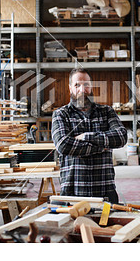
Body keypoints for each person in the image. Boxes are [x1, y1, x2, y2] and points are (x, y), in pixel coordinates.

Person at [51, 68, 128, 203]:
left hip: (105, 190)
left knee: (109, 224)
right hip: (73, 190)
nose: (82, 89)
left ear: (91, 87)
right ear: (70, 89)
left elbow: (121, 137)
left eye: (86, 84)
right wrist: (102, 146)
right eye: (77, 85)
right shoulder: (61, 114)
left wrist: (86, 136)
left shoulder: (106, 112)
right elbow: (63, 145)